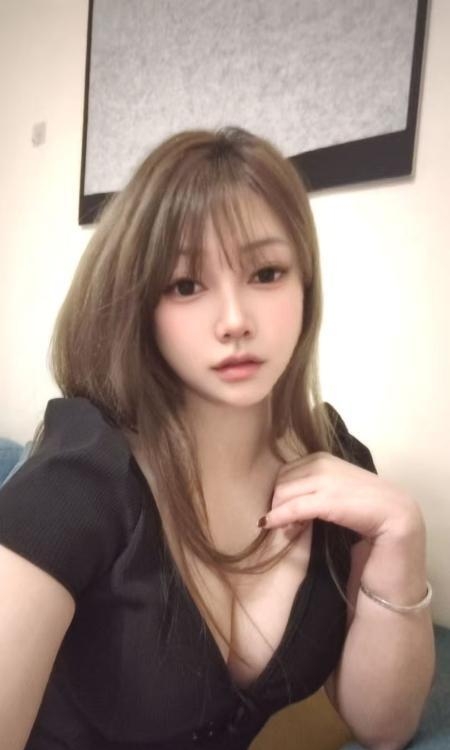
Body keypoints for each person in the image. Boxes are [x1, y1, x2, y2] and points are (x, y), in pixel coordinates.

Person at [0, 127, 434, 750]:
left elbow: (384, 729)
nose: (234, 320)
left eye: (266, 272)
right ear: (137, 306)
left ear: (305, 286)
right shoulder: (79, 482)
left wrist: (401, 534)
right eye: (185, 285)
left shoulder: (339, 465)